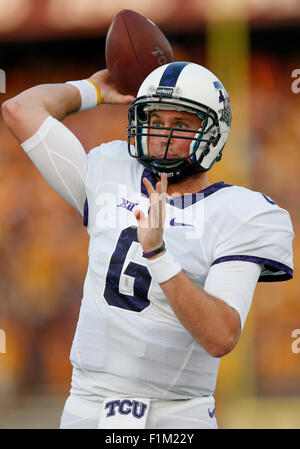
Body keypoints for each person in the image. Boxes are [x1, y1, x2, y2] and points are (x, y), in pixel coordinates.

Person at [2, 61, 294, 429]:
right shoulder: (109, 170)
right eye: (156, 121)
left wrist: (159, 256)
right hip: (87, 407)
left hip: (177, 414)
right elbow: (19, 109)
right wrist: (91, 90)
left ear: (213, 133)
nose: (163, 135)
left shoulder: (242, 213)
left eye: (181, 124)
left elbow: (220, 335)